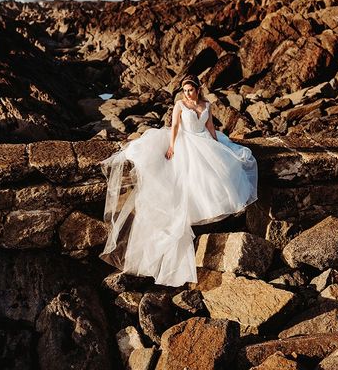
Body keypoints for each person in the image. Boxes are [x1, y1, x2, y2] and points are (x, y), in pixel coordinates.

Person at [99, 75, 258, 287]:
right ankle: (195, 214)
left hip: (203, 140)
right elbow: (174, 127)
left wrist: (217, 144)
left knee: (224, 169)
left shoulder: (207, 105)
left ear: (198, 90)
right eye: (184, 90)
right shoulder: (179, 105)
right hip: (185, 142)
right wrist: (172, 146)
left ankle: (211, 212)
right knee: (190, 178)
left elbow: (210, 126)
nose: (187, 93)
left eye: (190, 90)